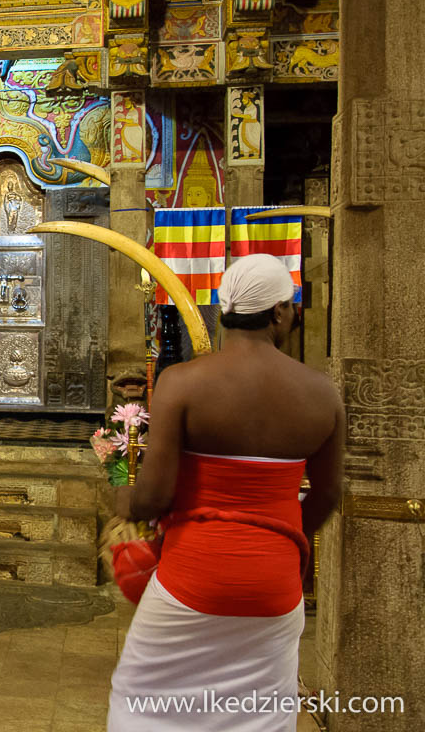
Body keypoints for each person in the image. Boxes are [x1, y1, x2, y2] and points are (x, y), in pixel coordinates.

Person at [107, 254, 344, 731]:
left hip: (193, 576)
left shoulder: (183, 383)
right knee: (258, 716)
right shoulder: (322, 393)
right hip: (276, 584)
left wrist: (119, 497)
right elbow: (327, 493)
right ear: (279, 312)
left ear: (223, 310)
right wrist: (278, 541)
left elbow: (153, 497)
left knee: (145, 709)